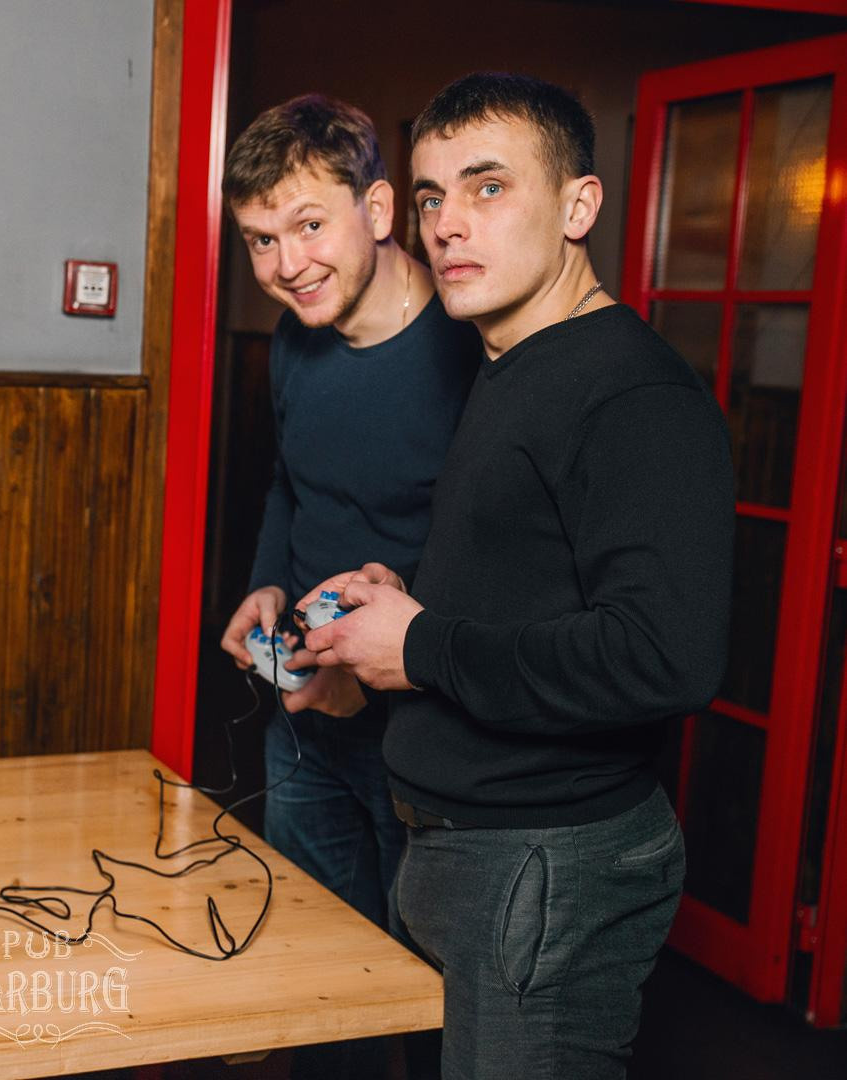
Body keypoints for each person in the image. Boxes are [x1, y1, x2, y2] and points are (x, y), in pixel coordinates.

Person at [300, 72, 735, 1080]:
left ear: (578, 207)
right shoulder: (511, 363)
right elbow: (533, 576)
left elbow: (664, 656)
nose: (448, 223)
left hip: (546, 864)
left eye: (488, 187)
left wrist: (420, 645)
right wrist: (400, 601)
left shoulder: (634, 395)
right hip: (467, 853)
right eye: (431, 195)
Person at [215, 95, 478, 934]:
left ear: (379, 209)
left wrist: (365, 679)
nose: (287, 264)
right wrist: (266, 583)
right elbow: (291, 485)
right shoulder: (294, 339)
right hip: (304, 709)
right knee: (310, 950)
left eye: (308, 226)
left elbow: (492, 551)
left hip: (425, 732)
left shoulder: (471, 346)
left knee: (418, 971)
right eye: (261, 239)